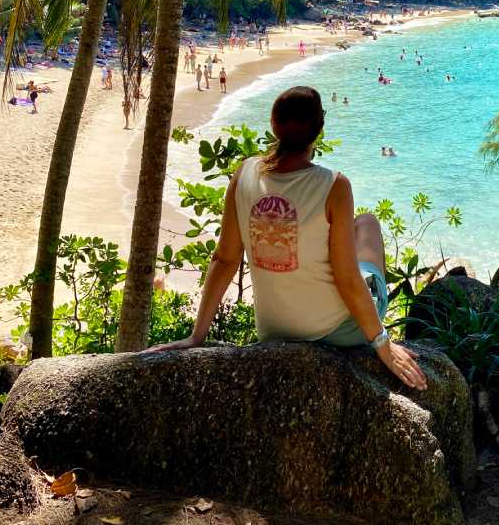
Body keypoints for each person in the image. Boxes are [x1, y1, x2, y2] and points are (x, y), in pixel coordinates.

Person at [146, 86, 425, 390]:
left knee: (356, 231)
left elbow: (225, 259)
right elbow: (346, 278)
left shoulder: (245, 174)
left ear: (273, 126)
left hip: (273, 329)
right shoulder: (334, 185)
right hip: (336, 330)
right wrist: (382, 343)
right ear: (320, 128)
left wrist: (196, 336)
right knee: (367, 224)